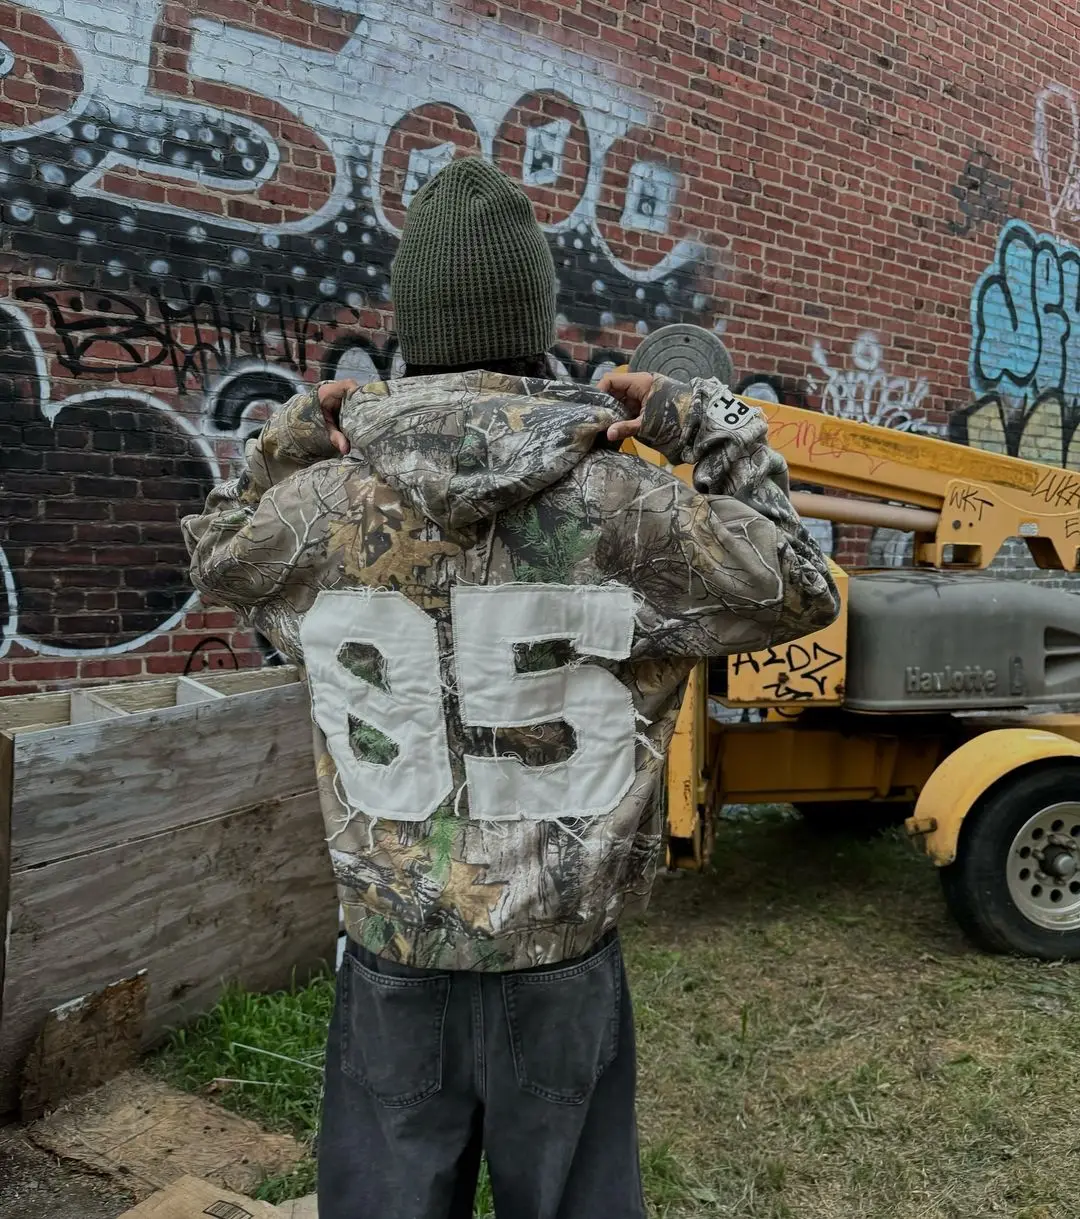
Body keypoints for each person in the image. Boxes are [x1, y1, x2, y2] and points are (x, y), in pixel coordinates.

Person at [183, 157, 839, 1219]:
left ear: (415, 327)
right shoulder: (625, 503)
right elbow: (801, 582)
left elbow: (213, 552)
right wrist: (697, 415)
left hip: (392, 954)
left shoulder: (314, 511)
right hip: (561, 958)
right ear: (532, 319)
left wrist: (290, 432)